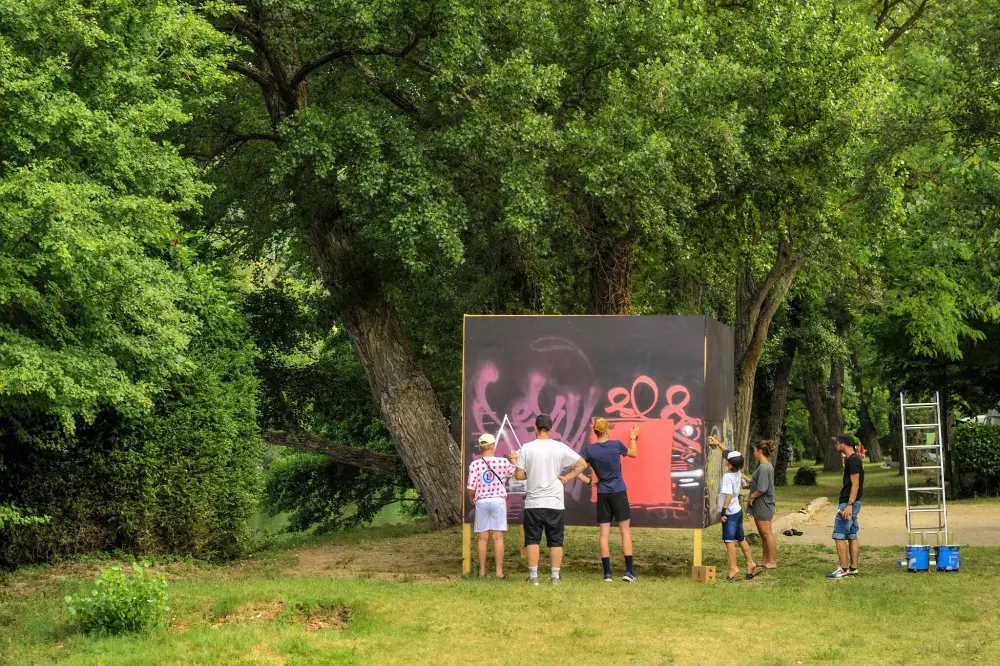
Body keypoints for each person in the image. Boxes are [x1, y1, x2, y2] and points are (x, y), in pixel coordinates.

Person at [514, 413, 588, 585]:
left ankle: (534, 577)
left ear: (535, 427)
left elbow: (518, 475)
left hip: (533, 502)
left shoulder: (526, 448)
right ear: (551, 429)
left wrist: (530, 473)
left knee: (532, 540)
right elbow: (582, 464)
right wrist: (567, 477)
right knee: (555, 540)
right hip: (555, 501)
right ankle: (555, 576)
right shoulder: (559, 447)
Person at [578, 418, 639, 583]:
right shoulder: (616, 445)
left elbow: (576, 468)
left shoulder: (590, 450)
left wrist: (589, 481)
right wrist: (633, 437)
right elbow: (633, 453)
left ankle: (607, 574)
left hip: (602, 493)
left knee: (604, 534)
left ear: (595, 432)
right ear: (606, 431)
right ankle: (629, 572)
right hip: (618, 491)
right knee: (625, 532)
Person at [466, 433, 516, 578]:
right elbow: (515, 473)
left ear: (480, 448)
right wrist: (514, 459)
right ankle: (499, 572)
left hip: (482, 501)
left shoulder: (475, 464)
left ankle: (482, 571)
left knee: (483, 538)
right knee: (498, 537)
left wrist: (472, 497)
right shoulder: (502, 462)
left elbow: (471, 487)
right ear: (493, 447)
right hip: (498, 501)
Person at [708, 438, 758, 581]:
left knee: (729, 541)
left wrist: (723, 511)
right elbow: (729, 453)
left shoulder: (727, 477)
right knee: (741, 538)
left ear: (729, 464)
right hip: (737, 511)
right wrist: (718, 444)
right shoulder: (738, 471)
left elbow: (728, 495)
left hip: (730, 513)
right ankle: (750, 563)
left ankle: (733, 568)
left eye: (727, 460)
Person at [828, 433, 864, 579]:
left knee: (839, 535)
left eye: (836, 443)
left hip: (848, 503)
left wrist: (849, 504)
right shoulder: (854, 459)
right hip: (853, 502)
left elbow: (855, 484)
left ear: (843, 444)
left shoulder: (852, 460)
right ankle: (853, 569)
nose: (835, 446)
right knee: (852, 535)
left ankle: (843, 569)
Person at [747, 440, 777, 570]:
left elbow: (762, 488)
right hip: (761, 505)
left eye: (754, 450)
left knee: (767, 533)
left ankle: (772, 561)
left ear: (760, 451)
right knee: (763, 534)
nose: (753, 453)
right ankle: (765, 559)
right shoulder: (766, 466)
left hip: (764, 504)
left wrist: (752, 496)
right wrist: (748, 480)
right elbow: (758, 482)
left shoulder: (764, 467)